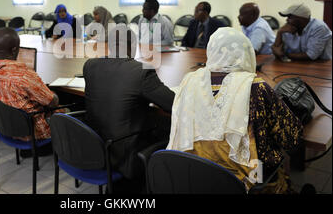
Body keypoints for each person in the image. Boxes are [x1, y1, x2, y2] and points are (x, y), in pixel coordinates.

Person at [167, 27, 303, 193]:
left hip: (195, 170)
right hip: (247, 178)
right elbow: (292, 139)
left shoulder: (189, 80)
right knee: (277, 155)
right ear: (246, 53)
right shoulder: (256, 88)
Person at [83, 25, 175, 190]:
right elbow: (172, 104)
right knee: (168, 125)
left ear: (109, 45)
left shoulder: (90, 65)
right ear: (133, 46)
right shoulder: (141, 71)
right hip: (124, 153)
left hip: (95, 145)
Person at [0, 27, 60, 158]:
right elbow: (52, 102)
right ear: (15, 49)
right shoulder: (23, 75)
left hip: (3, 126)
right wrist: (51, 92)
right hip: (32, 132)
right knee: (65, 107)